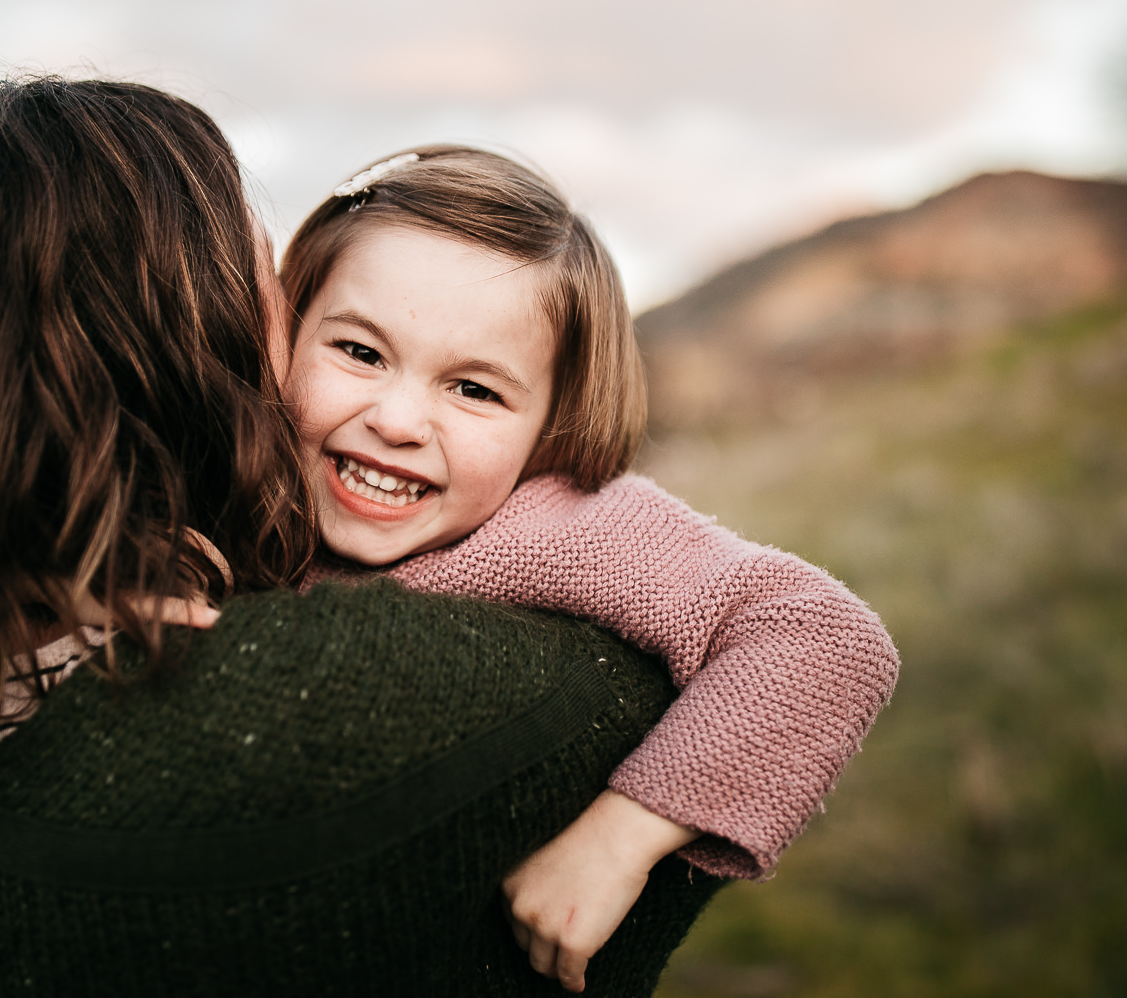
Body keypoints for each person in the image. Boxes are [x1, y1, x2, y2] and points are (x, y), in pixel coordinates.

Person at [0, 78, 724, 996]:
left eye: (472, 386)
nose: (395, 412)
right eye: (270, 284)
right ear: (159, 351)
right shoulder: (337, 695)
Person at [279, 146, 900, 991]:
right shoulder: (235, 488)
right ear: (281, 331)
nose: (396, 419)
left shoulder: (561, 521)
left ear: (553, 424)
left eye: (475, 391)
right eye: (359, 352)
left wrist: (618, 838)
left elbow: (822, 636)